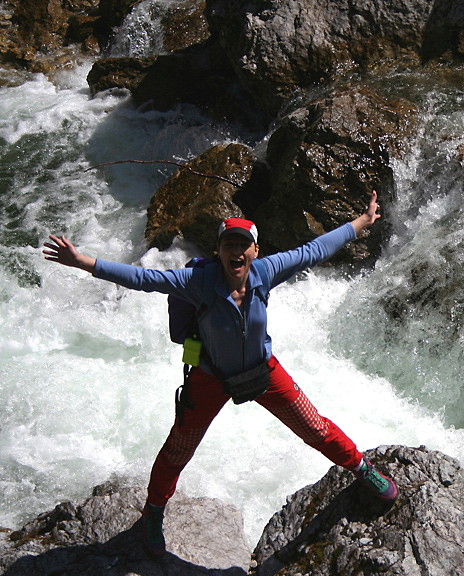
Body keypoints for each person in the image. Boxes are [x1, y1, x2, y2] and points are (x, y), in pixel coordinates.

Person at [43, 191, 397, 557]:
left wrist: (362, 222)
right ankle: (153, 511)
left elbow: (316, 249)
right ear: (219, 250)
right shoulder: (198, 282)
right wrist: (82, 261)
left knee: (315, 427)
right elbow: (141, 277)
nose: (237, 252)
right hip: (210, 379)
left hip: (262, 371)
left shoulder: (266, 271)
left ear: (255, 251)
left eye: (244, 245)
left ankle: (361, 467)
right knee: (177, 451)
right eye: (230, 244)